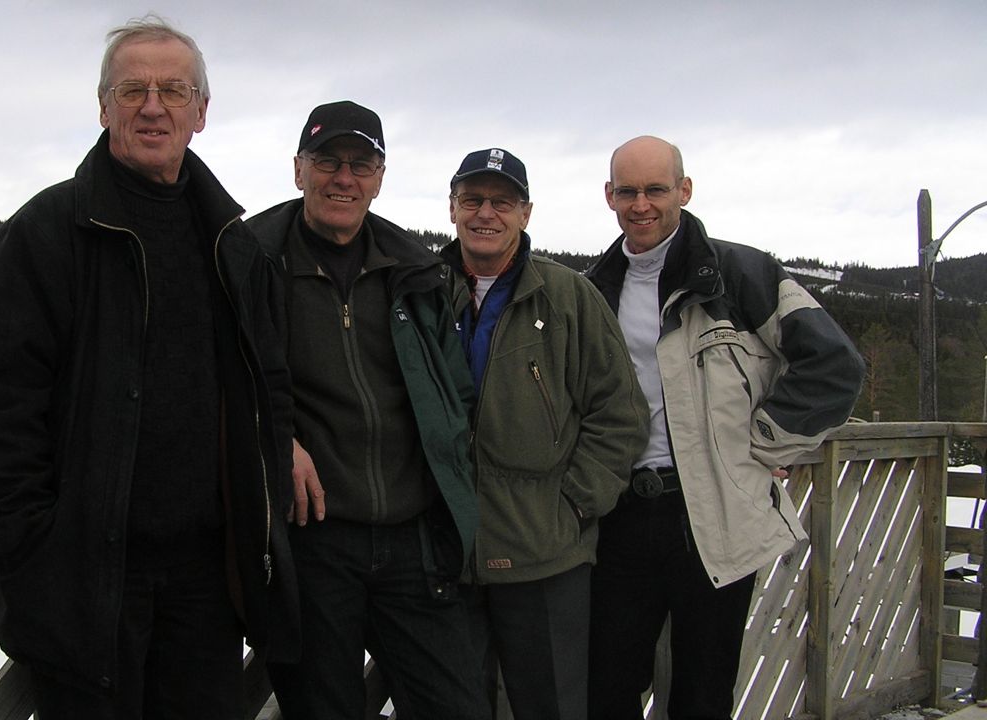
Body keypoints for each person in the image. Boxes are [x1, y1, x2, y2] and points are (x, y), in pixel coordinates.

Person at [0, 16, 297, 719]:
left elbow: (269, 384)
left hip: (208, 581)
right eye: (133, 90)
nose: (152, 107)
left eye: (174, 91)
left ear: (202, 112)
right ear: (104, 107)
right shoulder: (49, 232)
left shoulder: (233, 245)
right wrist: (33, 547)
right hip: (89, 579)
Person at [585, 135, 864, 720]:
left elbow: (834, 364)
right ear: (609, 196)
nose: (641, 204)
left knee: (704, 693)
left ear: (684, 190)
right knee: (605, 686)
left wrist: (763, 443)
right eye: (628, 191)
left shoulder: (741, 274)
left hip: (714, 513)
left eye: (656, 189)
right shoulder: (593, 289)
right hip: (619, 513)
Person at [247, 100, 488, 720]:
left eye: (361, 164)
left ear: (379, 178)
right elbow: (217, 381)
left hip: (412, 540)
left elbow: (454, 392)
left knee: (458, 706)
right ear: (299, 169)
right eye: (328, 160)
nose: (344, 178)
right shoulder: (252, 262)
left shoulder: (415, 272)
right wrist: (275, 440)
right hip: (313, 542)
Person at [439, 148, 649, 720]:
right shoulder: (421, 292)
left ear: (526, 212)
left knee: (551, 706)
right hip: (444, 555)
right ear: (452, 207)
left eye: (502, 202)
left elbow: (621, 413)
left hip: (545, 558)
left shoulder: (568, 297)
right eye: (472, 200)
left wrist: (572, 506)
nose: (486, 213)